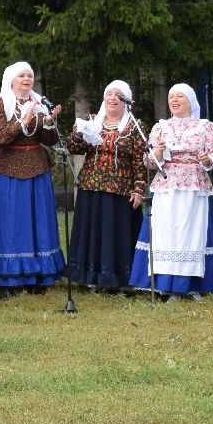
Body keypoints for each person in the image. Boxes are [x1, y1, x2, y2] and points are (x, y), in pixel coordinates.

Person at [129, 83, 213, 299]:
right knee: (167, 233)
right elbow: (148, 161)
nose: (174, 100)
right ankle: (165, 283)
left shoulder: (205, 126)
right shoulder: (160, 127)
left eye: (180, 96)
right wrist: (158, 154)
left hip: (194, 185)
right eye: (171, 96)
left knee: (191, 233)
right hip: (166, 184)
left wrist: (207, 159)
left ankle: (192, 285)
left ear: (191, 101)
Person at [0, 61, 65, 296]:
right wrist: (22, 121)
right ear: (11, 80)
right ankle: (9, 278)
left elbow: (50, 140)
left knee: (38, 221)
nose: (27, 79)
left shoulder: (38, 103)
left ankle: (37, 276)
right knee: (11, 223)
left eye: (30, 75)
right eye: (22, 76)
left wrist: (49, 122)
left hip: (37, 167)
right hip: (8, 169)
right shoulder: (0, 103)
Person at [64, 80, 148, 291]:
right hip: (91, 186)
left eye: (118, 95)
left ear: (126, 100)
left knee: (114, 234)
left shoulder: (134, 126)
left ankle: (118, 280)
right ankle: (89, 277)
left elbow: (140, 161)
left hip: (120, 189)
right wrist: (79, 132)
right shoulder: (93, 121)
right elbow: (73, 148)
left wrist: (138, 189)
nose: (113, 98)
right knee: (92, 233)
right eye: (109, 93)